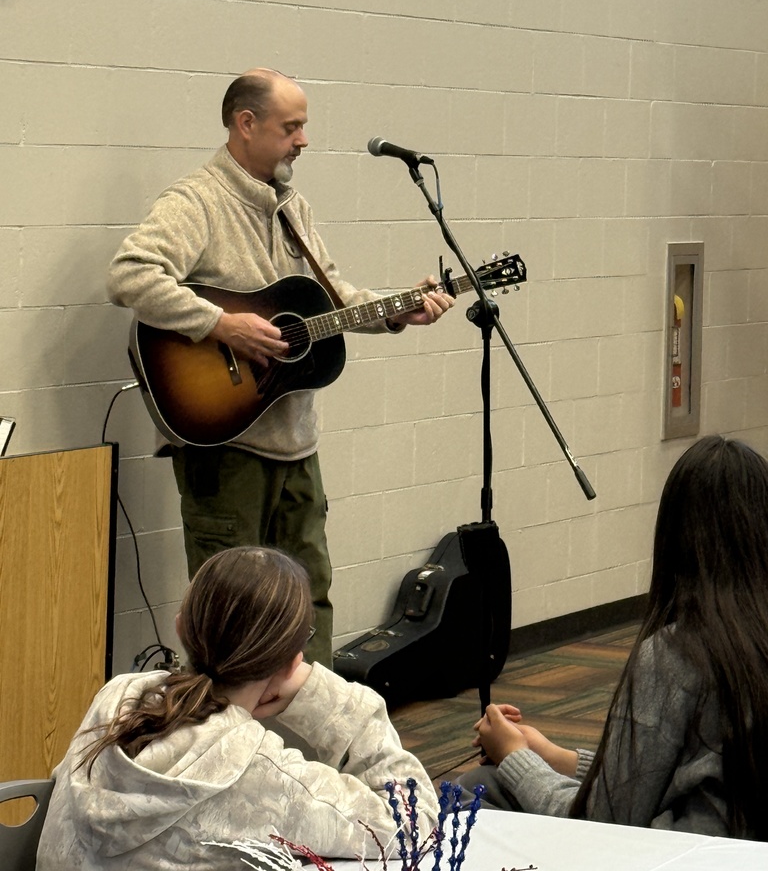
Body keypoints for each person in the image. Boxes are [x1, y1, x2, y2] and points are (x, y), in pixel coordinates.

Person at [107, 68, 453, 667]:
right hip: (227, 447)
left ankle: (307, 741)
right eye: (291, 127)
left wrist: (397, 311)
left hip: (296, 445)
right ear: (246, 124)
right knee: (232, 614)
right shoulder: (197, 202)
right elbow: (130, 275)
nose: (303, 140)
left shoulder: (293, 207)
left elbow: (330, 296)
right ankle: (224, 744)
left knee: (308, 600)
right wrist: (221, 324)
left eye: (303, 127)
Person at [36, 546, 438, 870]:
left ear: (180, 626)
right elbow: (413, 826)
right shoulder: (260, 773)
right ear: (292, 663)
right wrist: (325, 696)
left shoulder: (118, 698)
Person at [460, 435, 768, 840]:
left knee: (474, 788)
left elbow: (606, 825)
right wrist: (554, 756)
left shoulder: (678, 653)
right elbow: (663, 772)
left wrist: (516, 757)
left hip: (692, 854)